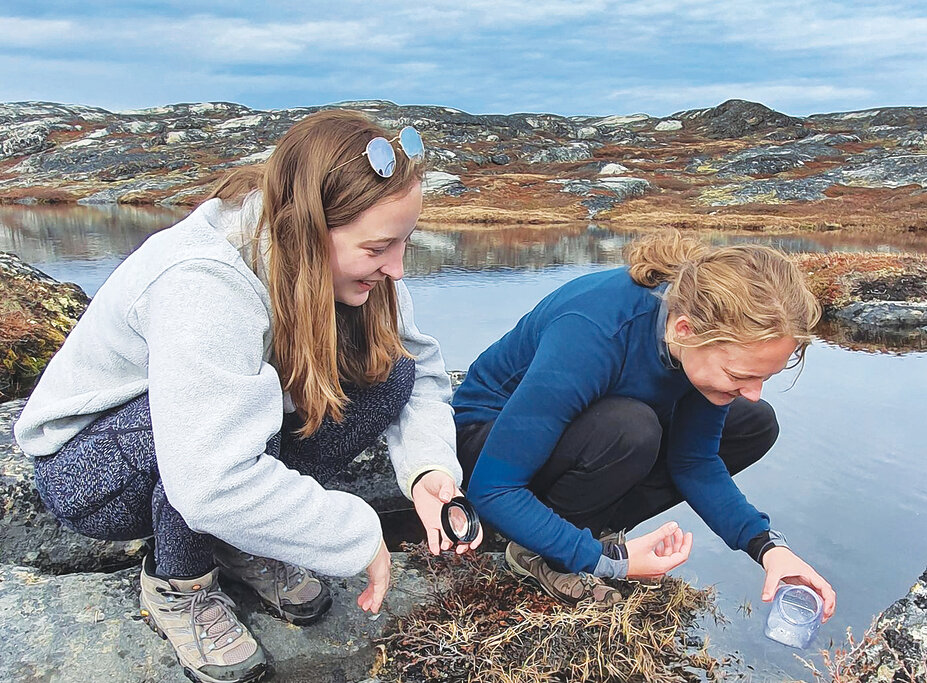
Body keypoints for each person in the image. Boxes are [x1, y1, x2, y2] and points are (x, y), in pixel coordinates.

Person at [14, 110, 479, 683]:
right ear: (309, 229)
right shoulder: (205, 279)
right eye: (380, 247)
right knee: (216, 433)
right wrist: (355, 535)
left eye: (404, 241)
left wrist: (429, 468)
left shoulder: (355, 271)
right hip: (92, 470)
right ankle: (179, 584)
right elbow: (208, 475)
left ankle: (239, 539)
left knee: (390, 374)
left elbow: (421, 368)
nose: (398, 268)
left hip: (201, 442)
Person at [452, 232, 837, 617]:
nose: (753, 391)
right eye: (740, 374)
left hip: (587, 429)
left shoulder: (692, 340)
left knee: (754, 422)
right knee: (632, 429)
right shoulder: (593, 333)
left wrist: (768, 548)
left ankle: (584, 528)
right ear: (684, 330)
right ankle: (544, 552)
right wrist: (608, 562)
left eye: (764, 377)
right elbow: (493, 488)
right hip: (489, 440)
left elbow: (694, 462)